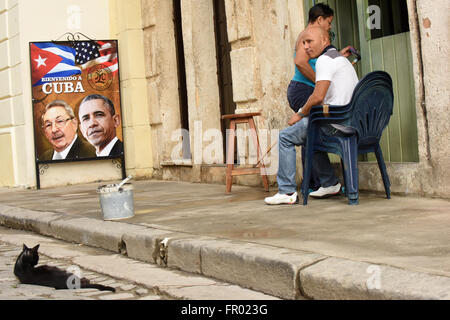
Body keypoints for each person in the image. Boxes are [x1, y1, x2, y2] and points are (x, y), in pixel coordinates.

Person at [265, 26, 359, 205]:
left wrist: (299, 114)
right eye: (304, 43)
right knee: (309, 138)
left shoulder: (324, 60)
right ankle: (330, 183)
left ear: (324, 41)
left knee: (285, 137)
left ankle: (286, 191)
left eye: (310, 42)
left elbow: (317, 96)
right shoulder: (341, 59)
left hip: (334, 123)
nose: (306, 47)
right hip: (349, 121)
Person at [289, 3, 352, 192]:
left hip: (307, 88)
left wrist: (340, 56)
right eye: (329, 22)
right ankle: (317, 183)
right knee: (311, 129)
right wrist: (321, 83)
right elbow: (300, 62)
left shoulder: (317, 41)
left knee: (311, 132)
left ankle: (321, 183)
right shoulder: (306, 36)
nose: (330, 26)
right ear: (319, 20)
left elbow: (319, 64)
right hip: (302, 90)